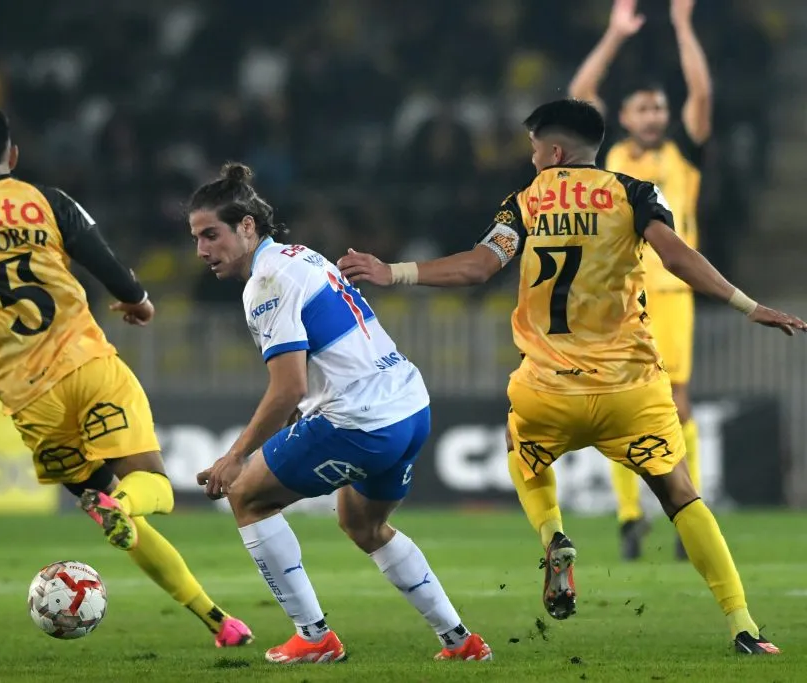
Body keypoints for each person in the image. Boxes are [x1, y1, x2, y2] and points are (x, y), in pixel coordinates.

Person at [337, 99, 802, 655]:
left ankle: (552, 535)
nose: (532, 159)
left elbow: (479, 266)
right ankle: (743, 626)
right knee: (681, 495)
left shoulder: (526, 204)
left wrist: (394, 271)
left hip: (548, 390)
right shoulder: (635, 194)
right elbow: (676, 257)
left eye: (535, 149)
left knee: (518, 441)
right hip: (629, 388)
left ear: (554, 151)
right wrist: (750, 307)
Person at [0, 106, 253, 648]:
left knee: (110, 515)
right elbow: (106, 263)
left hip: (29, 401)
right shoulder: (47, 201)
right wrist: (138, 302)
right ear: (12, 155)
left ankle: (217, 620)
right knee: (152, 489)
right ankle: (130, 510)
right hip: (86, 366)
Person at [189, 162, 492, 665]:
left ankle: (313, 636)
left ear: (247, 226)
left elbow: (289, 387)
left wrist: (235, 457)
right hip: (410, 406)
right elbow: (309, 376)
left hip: (362, 420)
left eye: (210, 234)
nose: (201, 250)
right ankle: (460, 641)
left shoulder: (265, 282)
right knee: (363, 525)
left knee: (246, 495)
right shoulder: (300, 256)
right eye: (195, 238)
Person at [568, 0, 712, 561]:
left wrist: (682, 24)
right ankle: (631, 517)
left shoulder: (684, 153)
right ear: (624, 118)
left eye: (659, 108)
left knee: (678, 404)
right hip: (620, 292)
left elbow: (701, 96)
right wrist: (613, 36)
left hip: (672, 292)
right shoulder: (611, 160)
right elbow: (578, 100)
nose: (654, 115)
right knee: (620, 401)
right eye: (643, 108)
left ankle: (685, 511)